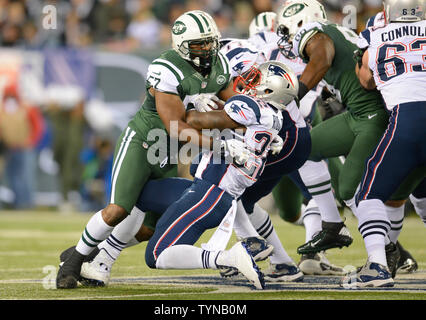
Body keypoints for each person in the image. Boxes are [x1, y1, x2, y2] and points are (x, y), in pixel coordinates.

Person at [56, 10, 238, 289]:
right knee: (118, 210)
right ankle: (73, 262)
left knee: (149, 227)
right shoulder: (166, 68)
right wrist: (219, 142)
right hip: (143, 143)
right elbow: (176, 126)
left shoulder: (219, 65)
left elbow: (238, 108)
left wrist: (260, 125)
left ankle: (94, 252)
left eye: (210, 42)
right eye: (199, 44)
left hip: (166, 152)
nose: (208, 49)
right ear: (181, 46)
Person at [145, 61, 295, 290]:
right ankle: (103, 252)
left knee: (155, 255)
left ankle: (226, 258)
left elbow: (195, 121)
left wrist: (191, 102)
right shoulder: (275, 116)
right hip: (217, 194)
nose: (250, 82)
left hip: (210, 193)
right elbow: (235, 124)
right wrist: (216, 104)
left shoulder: (251, 106)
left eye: (257, 80)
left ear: (269, 90)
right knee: (144, 193)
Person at [219, 34, 345, 276]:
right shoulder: (251, 52)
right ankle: (281, 261)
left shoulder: (232, 62)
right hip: (289, 135)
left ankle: (250, 249)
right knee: (242, 200)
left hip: (283, 139)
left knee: (225, 190)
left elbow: (242, 101)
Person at [276, 0, 386, 255]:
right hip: (358, 114)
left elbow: (322, 58)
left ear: (300, 22)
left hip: (371, 116)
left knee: (349, 189)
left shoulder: (314, 31)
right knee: (303, 149)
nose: (287, 37)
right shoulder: (336, 31)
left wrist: (291, 96)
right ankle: (332, 225)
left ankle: (386, 252)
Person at [342, 0, 426, 288]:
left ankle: (377, 265)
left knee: (368, 194)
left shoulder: (376, 35)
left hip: (408, 118)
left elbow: (365, 80)